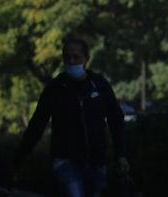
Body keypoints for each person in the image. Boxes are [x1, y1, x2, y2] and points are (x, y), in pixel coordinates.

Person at [14, 37, 128, 197]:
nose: (71, 61)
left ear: (86, 58)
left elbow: (116, 120)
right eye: (67, 57)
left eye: (76, 57)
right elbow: (37, 124)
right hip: (65, 161)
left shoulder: (99, 85)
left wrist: (120, 154)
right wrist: (19, 158)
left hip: (96, 162)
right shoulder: (56, 88)